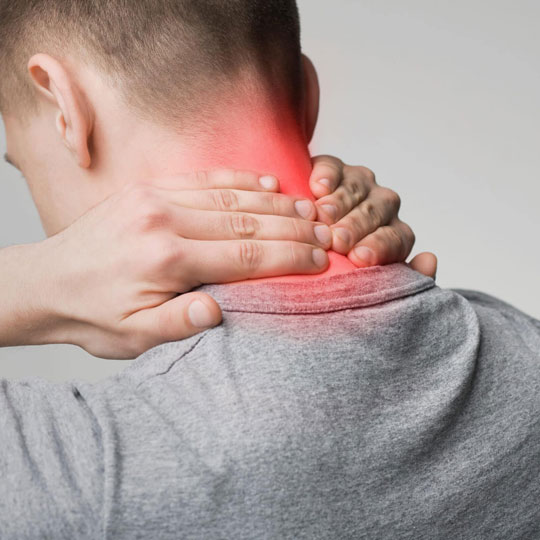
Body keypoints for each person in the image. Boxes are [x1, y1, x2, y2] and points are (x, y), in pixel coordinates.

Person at [2, 1, 537, 540]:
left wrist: (35, 280)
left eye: (21, 164)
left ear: (64, 108)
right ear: (307, 98)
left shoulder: (78, 469)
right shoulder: (524, 357)